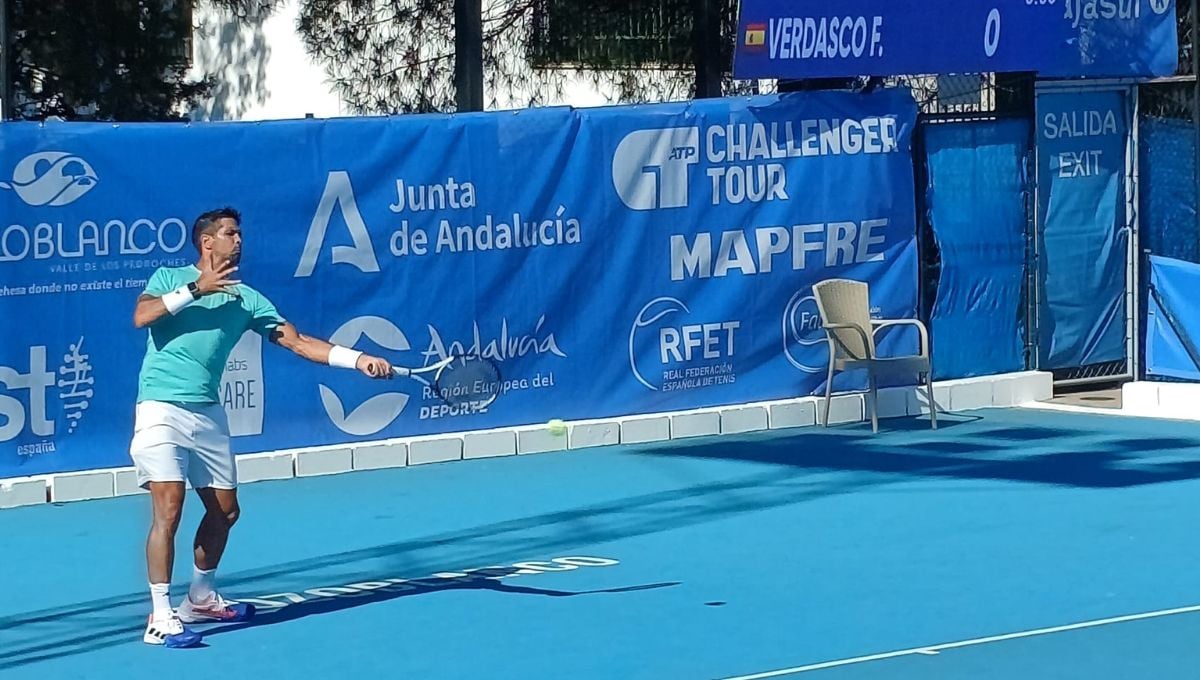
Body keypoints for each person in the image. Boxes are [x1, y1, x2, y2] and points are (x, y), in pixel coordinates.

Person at [129, 207, 393, 648]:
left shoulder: (247, 300)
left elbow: (299, 342)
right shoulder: (169, 277)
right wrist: (196, 289)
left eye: (240, 234)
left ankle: (201, 598)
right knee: (169, 508)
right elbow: (142, 315)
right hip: (161, 408)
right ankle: (160, 616)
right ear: (206, 242)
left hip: (207, 412)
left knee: (226, 511)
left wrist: (358, 359)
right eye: (230, 233)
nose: (239, 241)